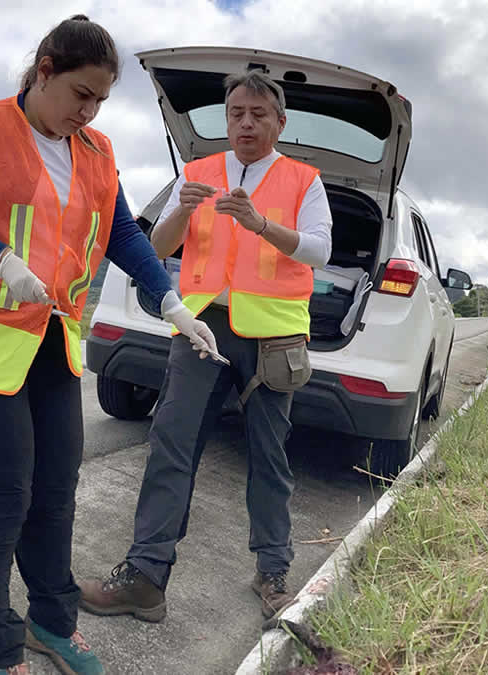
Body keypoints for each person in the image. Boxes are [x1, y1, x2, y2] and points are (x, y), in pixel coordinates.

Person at [0, 15, 219, 675]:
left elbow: (123, 236)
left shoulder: (98, 152)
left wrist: (171, 302)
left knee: (54, 489)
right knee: (0, 494)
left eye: (101, 100)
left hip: (47, 341)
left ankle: (52, 620)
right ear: (44, 69)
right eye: (81, 93)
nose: (89, 110)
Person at [79, 70, 333, 622]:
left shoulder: (302, 180)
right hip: (200, 331)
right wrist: (182, 210)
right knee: (171, 445)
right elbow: (156, 247)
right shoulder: (196, 173)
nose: (246, 122)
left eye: (258, 114)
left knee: (269, 456)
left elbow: (317, 250)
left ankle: (273, 575)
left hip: (272, 338)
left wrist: (260, 223)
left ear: (279, 122)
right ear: (227, 118)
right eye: (236, 113)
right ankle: (146, 577)